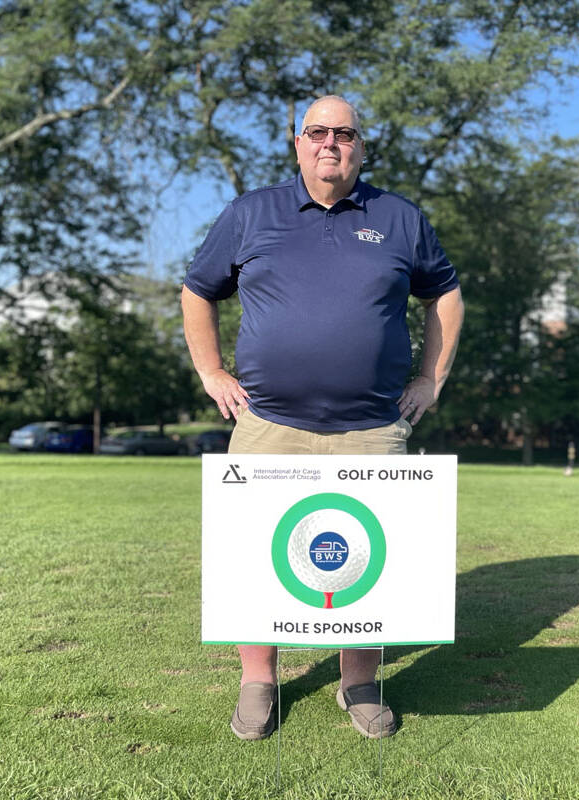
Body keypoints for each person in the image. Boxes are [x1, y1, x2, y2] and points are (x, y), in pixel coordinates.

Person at [182, 95, 464, 741]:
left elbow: (444, 294)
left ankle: (359, 682)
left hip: (372, 426)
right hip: (268, 423)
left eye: (344, 133)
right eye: (317, 132)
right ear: (297, 143)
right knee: (256, 558)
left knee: (371, 561)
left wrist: (430, 379)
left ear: (360, 146)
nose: (330, 142)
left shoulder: (399, 217)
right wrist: (211, 371)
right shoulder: (251, 212)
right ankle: (258, 681)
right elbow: (199, 289)